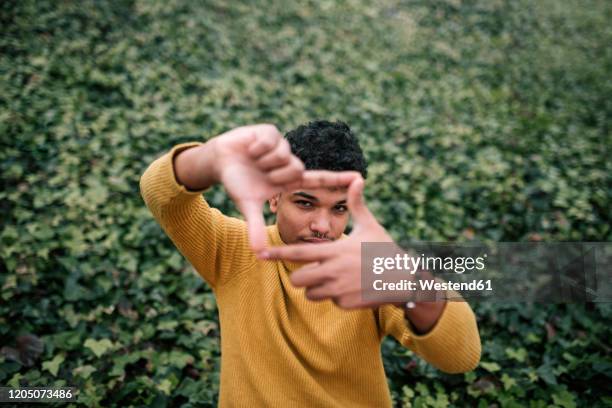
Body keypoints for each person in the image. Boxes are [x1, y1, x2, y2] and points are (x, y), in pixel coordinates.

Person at [139, 120, 481, 407]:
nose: (322, 225)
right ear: (273, 196)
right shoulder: (234, 249)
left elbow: (461, 355)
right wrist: (209, 158)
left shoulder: (367, 266)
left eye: (339, 209)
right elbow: (160, 193)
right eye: (305, 203)